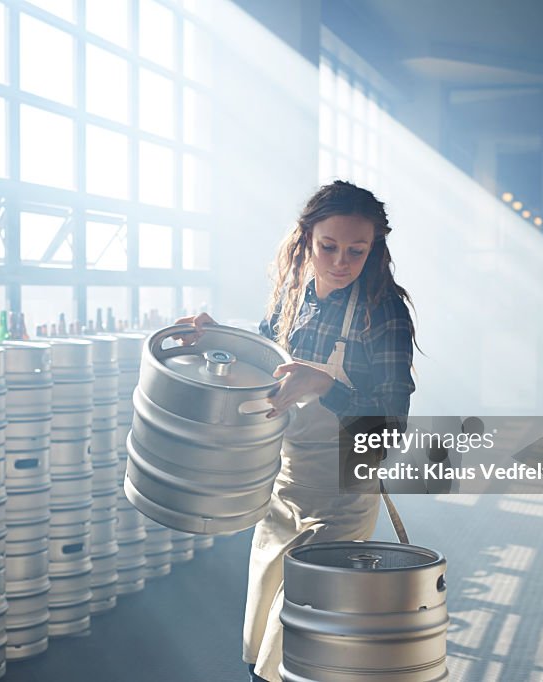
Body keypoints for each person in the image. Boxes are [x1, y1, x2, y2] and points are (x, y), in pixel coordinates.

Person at [176, 180, 416, 682]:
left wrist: (329, 387)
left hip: (344, 498)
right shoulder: (293, 296)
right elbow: (264, 361)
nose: (341, 261)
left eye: (358, 250)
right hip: (284, 492)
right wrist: (213, 335)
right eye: (328, 246)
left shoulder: (383, 312)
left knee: (295, 647)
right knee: (260, 637)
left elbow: (389, 426)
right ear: (306, 238)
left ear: (375, 249)